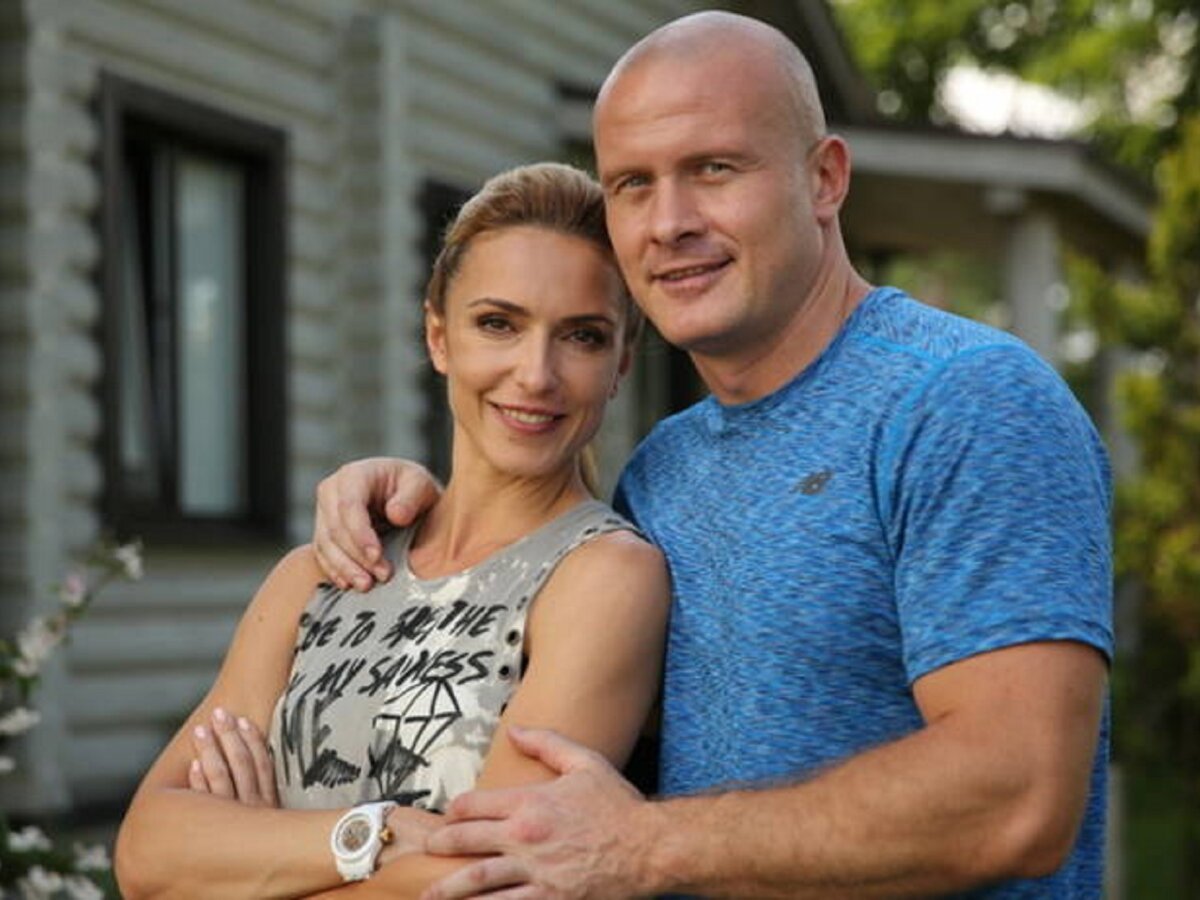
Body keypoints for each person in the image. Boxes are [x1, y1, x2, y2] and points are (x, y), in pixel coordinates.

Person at [312, 11, 1114, 900]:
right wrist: (411, 506)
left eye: (714, 170)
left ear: (824, 179)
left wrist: (646, 846)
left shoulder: (963, 401)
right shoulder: (663, 470)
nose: (669, 223)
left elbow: (1018, 795)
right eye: (632, 184)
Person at [113, 162, 670, 899]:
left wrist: (240, 863)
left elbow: (479, 880)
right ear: (439, 337)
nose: (536, 374)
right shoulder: (322, 573)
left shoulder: (603, 578)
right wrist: (372, 831)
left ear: (620, 363)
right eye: (498, 324)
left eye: (583, 337)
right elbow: (146, 852)